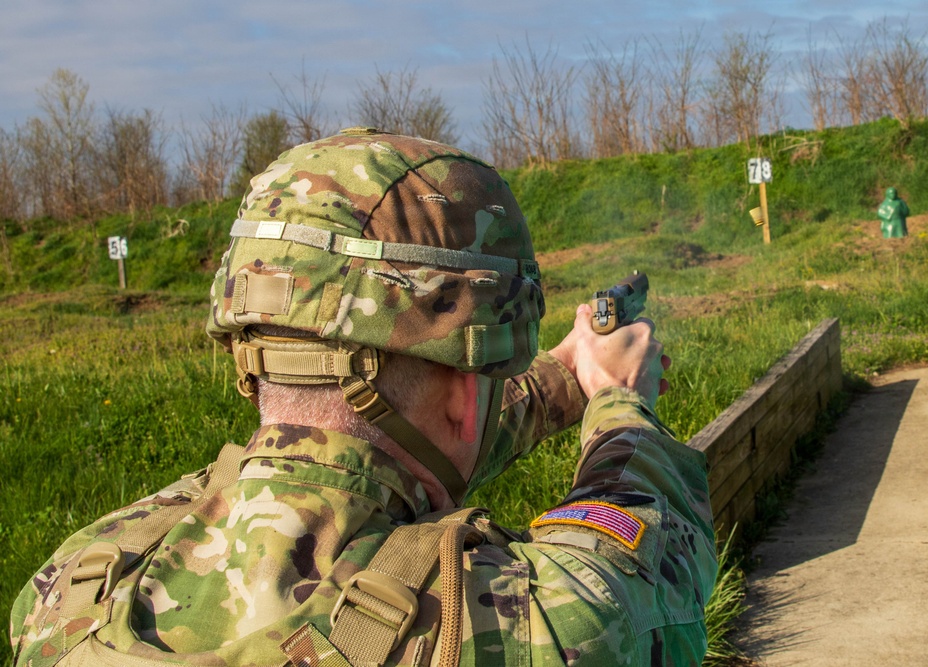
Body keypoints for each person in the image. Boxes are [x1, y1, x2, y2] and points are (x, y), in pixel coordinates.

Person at [10, 129, 717, 666]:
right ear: (465, 397)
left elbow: (378, 452)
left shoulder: (73, 585)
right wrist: (620, 399)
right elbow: (648, 564)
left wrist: (564, 375)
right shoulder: (534, 627)